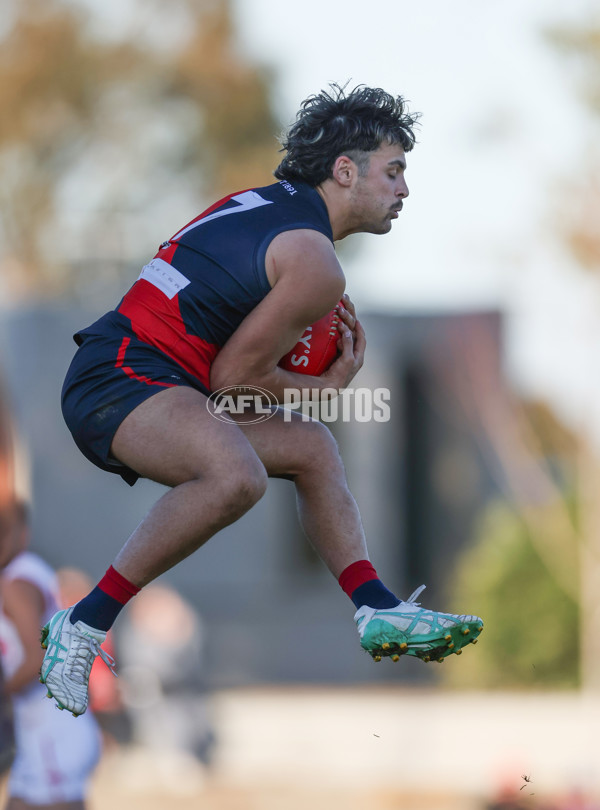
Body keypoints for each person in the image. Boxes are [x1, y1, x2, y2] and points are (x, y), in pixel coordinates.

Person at [41, 83, 483, 717]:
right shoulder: (315, 262)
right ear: (344, 170)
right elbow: (234, 377)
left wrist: (305, 390)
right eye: (394, 172)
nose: (404, 190)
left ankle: (376, 606)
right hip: (120, 376)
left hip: (150, 373)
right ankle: (82, 625)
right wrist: (327, 388)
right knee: (234, 475)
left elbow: (224, 362)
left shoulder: (270, 207)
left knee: (310, 445)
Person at [0, 500, 101, 809]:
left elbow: (38, 659)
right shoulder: (29, 570)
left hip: (51, 736)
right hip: (51, 730)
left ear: (22, 534)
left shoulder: (15, 583)